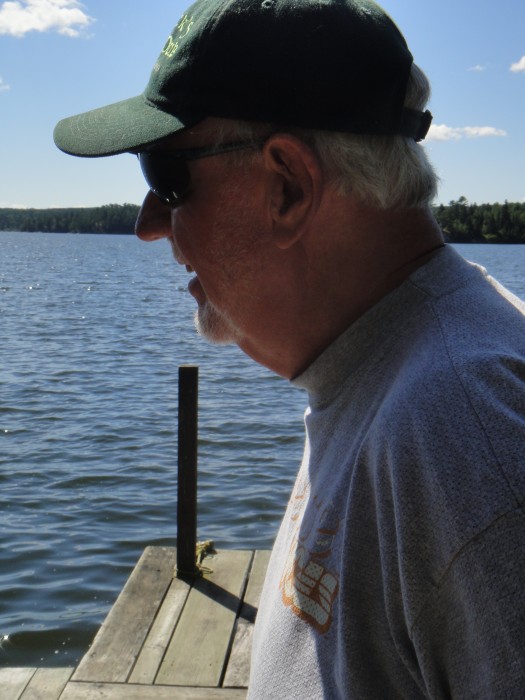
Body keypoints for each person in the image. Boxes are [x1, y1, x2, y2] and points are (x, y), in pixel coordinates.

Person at [54, 0, 525, 697]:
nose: (148, 225)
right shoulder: (380, 374)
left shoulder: (459, 425)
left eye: (166, 176)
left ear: (287, 186)